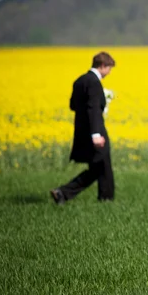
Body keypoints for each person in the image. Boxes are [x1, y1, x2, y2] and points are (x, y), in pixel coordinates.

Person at [50, 52, 116, 205]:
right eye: (109, 68)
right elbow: (92, 109)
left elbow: (73, 105)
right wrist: (96, 134)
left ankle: (63, 194)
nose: (110, 72)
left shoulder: (80, 80)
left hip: (82, 130)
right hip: (95, 130)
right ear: (103, 66)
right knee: (103, 163)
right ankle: (105, 199)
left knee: (98, 166)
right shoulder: (94, 82)